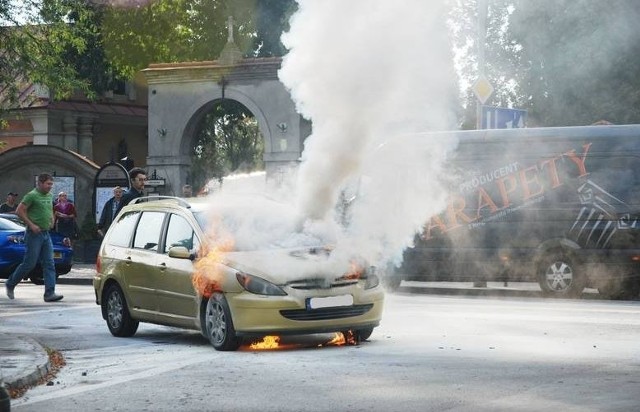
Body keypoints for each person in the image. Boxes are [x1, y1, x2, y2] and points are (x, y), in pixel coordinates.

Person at [5, 173, 63, 302]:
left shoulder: (49, 195)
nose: (50, 187)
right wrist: (31, 225)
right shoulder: (32, 195)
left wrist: (52, 220)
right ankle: (10, 283)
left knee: (49, 263)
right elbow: (19, 211)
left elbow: (50, 209)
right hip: (34, 235)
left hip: (46, 234)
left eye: (51, 184)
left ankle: (49, 293)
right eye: (48, 184)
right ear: (40, 183)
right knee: (29, 264)